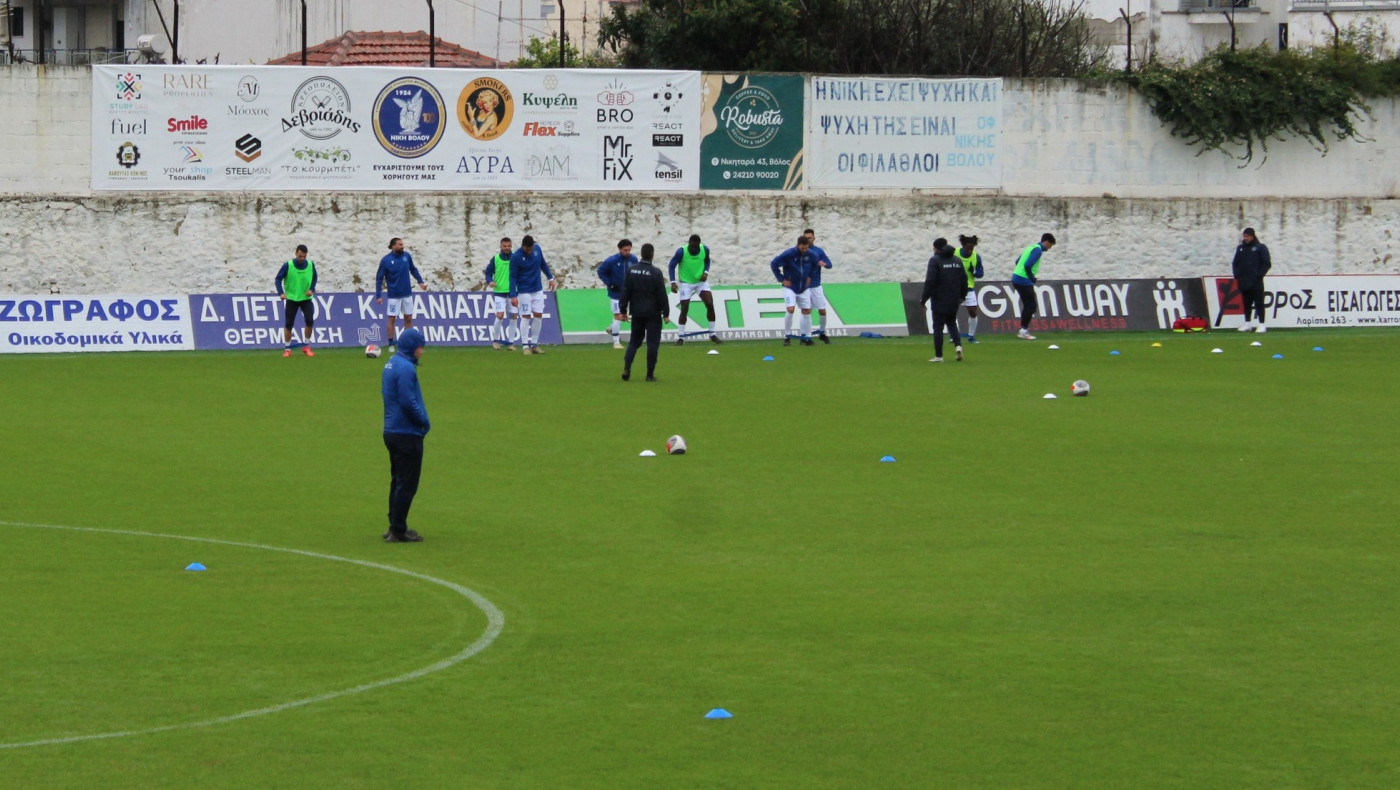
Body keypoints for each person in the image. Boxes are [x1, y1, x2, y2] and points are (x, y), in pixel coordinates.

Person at [381, 327, 430, 543]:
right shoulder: (406, 369)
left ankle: (394, 524)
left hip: (392, 430)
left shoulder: (392, 363)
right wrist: (423, 422)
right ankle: (398, 530)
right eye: (421, 347)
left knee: (398, 480)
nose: (422, 352)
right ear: (413, 347)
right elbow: (408, 402)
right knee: (407, 483)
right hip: (406, 432)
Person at [619, 243, 670, 382]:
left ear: (641, 254)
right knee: (652, 344)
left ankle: (627, 368)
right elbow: (661, 295)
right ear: (652, 255)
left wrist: (623, 310)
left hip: (637, 313)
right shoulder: (656, 272)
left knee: (634, 342)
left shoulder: (631, 270)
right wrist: (666, 313)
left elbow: (625, 292)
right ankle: (649, 375)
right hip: (653, 314)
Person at [667, 234, 722, 345]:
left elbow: (707, 261)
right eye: (691, 247)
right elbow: (671, 265)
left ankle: (712, 334)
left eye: (695, 247)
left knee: (710, 304)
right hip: (686, 283)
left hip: (701, 282)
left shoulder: (704, 249)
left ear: (699, 245)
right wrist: (673, 282)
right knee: (684, 307)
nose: (693, 249)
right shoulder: (681, 252)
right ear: (689, 243)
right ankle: (681, 337)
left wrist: (706, 273)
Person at [376, 237, 428, 352]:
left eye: (402, 244)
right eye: (400, 245)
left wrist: (420, 282)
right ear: (393, 246)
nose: (402, 246)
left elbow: (413, 269)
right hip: (394, 295)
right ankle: (390, 343)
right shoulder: (386, 260)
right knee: (392, 319)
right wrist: (378, 295)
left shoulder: (406, 256)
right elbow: (379, 278)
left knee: (408, 318)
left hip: (407, 294)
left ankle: (405, 343)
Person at [920, 238, 969, 362]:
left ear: (937, 248)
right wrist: (962, 296)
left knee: (938, 327)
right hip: (954, 299)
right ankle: (958, 346)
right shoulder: (957, 260)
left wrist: (924, 299)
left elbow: (930, 281)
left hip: (939, 299)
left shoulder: (935, 260)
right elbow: (964, 280)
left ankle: (939, 356)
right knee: (952, 323)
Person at [508, 234, 556, 355]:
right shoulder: (516, 257)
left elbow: (543, 264)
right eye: (527, 248)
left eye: (531, 248)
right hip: (524, 291)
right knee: (526, 316)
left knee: (538, 315)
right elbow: (512, 277)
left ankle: (534, 344)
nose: (529, 250)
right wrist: (513, 295)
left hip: (537, 289)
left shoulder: (537, 250)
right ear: (523, 246)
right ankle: (525, 346)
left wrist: (550, 277)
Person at [770, 235, 817, 346]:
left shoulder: (811, 255)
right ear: (798, 245)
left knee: (807, 311)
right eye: (802, 248)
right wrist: (781, 279)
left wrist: (810, 276)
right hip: (790, 286)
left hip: (804, 288)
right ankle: (787, 336)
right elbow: (774, 264)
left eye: (806, 248)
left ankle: (807, 337)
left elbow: (815, 265)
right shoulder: (789, 254)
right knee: (790, 309)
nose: (805, 250)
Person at [274, 244, 318, 358]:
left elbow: (315, 277)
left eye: (304, 256)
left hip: (306, 298)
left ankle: (306, 346)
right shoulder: (288, 265)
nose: (302, 259)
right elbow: (278, 279)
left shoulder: (310, 264)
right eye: (300, 256)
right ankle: (287, 349)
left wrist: (312, 289)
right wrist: (281, 292)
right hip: (292, 298)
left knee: (309, 321)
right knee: (289, 324)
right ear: (296, 254)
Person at [1011, 233, 1055, 340]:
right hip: (1023, 280)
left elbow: (1018, 261)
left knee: (1029, 305)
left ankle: (1023, 330)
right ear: (1047, 242)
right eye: (1050, 245)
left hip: (1016, 277)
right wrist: (1031, 278)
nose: (1049, 248)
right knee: (1031, 305)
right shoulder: (1038, 250)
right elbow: (1027, 265)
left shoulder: (1030, 247)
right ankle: (1023, 331)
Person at [597, 239, 639, 350]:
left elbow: (636, 273)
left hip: (629, 293)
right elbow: (601, 271)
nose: (628, 252)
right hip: (615, 293)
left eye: (629, 250)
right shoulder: (611, 260)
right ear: (620, 249)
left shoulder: (634, 259)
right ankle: (616, 342)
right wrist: (610, 284)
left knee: (623, 316)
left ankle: (611, 328)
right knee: (618, 315)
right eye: (625, 250)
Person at [1232, 227, 1272, 333]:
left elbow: (1266, 263)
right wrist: (1237, 275)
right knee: (1246, 303)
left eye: (1247, 236)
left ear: (1253, 236)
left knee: (1259, 303)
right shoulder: (1240, 248)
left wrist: (1258, 275)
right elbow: (1235, 263)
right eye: (1244, 236)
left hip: (1256, 281)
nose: (1246, 238)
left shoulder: (1260, 248)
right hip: (1244, 281)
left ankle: (1262, 324)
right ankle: (1247, 324)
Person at [483, 236, 516, 350]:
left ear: (511, 246)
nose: (507, 248)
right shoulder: (496, 259)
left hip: (513, 292)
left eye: (509, 246)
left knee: (513, 317)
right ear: (501, 247)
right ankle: (496, 340)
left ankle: (511, 343)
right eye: (505, 246)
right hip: (499, 292)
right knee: (500, 315)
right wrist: (490, 281)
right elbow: (488, 272)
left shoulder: (516, 258)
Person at [802, 228, 834, 344]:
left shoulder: (819, 251)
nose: (807, 240)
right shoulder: (800, 251)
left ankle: (822, 332)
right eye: (805, 238)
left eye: (809, 238)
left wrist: (823, 264)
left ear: (814, 238)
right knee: (806, 311)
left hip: (816, 286)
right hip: (804, 287)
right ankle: (804, 336)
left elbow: (830, 265)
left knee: (822, 311)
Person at [953, 234, 985, 343]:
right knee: (952, 311)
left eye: (972, 248)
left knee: (973, 312)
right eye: (968, 248)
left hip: (968, 288)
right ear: (963, 246)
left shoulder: (976, 257)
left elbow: (981, 273)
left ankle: (971, 336)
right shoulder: (954, 253)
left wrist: (974, 272)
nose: (970, 251)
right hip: (954, 287)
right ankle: (954, 335)